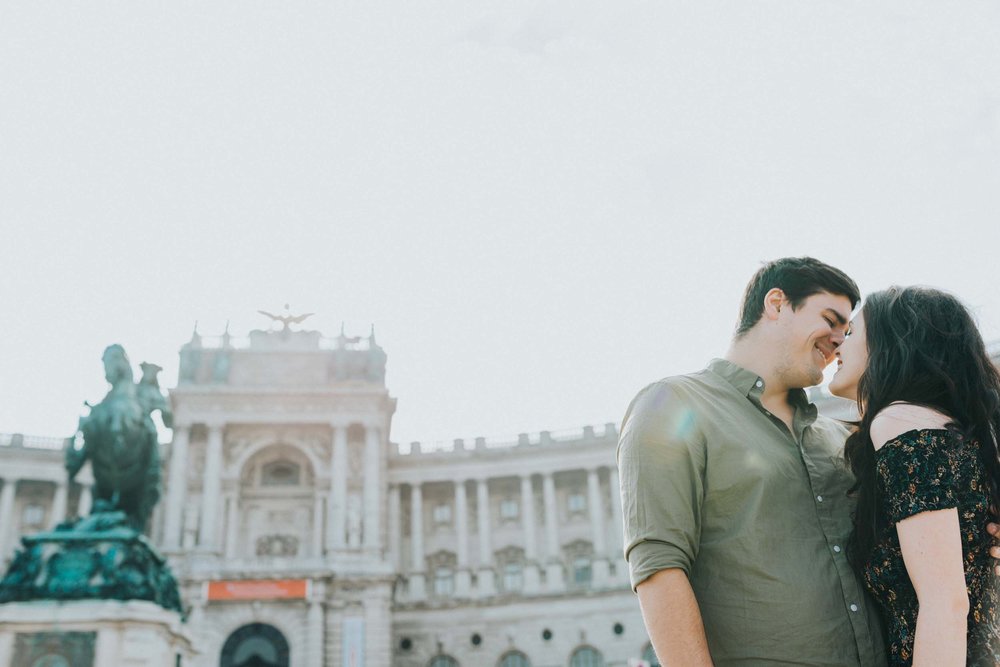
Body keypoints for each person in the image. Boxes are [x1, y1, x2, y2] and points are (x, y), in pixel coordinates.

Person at [618, 257, 886, 666]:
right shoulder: (673, 406)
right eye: (831, 320)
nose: (839, 341)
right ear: (776, 303)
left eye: (847, 331)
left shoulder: (842, 438)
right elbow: (659, 567)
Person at [829, 286, 1000, 666]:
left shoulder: (900, 421)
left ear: (892, 342)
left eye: (853, 332)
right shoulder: (954, 432)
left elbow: (946, 601)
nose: (838, 341)